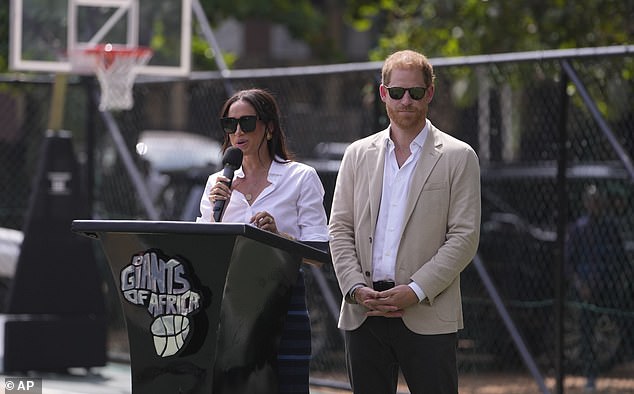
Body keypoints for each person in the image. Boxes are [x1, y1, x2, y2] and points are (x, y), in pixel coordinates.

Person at [328, 49, 481, 394]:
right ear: (384, 94)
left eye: (415, 92)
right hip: (364, 311)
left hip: (427, 312)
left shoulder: (459, 156)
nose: (406, 100)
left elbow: (464, 237)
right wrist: (355, 288)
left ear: (430, 92)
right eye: (397, 92)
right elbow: (339, 228)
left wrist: (414, 291)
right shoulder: (356, 154)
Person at [196, 88, 329, 393]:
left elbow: (319, 254)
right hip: (228, 307)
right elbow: (202, 251)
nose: (238, 132)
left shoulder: (301, 177)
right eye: (230, 125)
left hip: (281, 304)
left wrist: (277, 237)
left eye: (247, 123)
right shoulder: (217, 183)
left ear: (269, 127)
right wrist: (218, 215)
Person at [564, 184, 628, 393]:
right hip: (586, 290)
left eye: (598, 200)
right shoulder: (578, 229)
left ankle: (620, 368)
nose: (595, 204)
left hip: (608, 287)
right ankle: (590, 375)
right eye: (592, 200)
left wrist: (615, 281)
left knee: (618, 326)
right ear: (586, 203)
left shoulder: (610, 228)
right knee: (586, 332)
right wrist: (580, 285)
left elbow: (620, 259)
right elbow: (569, 263)